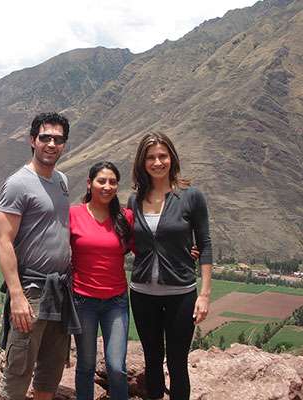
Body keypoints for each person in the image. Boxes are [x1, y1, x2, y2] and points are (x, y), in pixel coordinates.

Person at [0, 112, 81, 400]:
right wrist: (16, 295)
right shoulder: (18, 183)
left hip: (59, 290)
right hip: (31, 292)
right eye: (45, 137)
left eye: (58, 139)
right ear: (33, 141)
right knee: (18, 373)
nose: (51, 144)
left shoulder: (62, 181)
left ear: (64, 145)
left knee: (50, 372)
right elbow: (3, 241)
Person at [128, 132, 213, 400]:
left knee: (178, 363)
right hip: (142, 294)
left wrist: (205, 294)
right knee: (152, 361)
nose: (157, 162)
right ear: (142, 162)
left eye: (162, 156)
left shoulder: (191, 196)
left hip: (181, 295)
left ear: (172, 158)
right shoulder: (134, 199)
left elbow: (206, 244)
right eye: (151, 157)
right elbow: (134, 242)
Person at [70, 161, 133, 400]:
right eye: (101, 181)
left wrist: (186, 250)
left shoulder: (125, 217)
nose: (107, 186)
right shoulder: (74, 214)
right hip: (82, 301)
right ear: (89, 184)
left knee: (117, 367)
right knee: (85, 365)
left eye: (113, 182)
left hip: (116, 302)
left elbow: (146, 247)